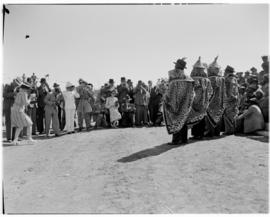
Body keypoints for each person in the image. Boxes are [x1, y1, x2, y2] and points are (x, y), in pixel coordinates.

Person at [163, 58, 195, 145]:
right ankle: (184, 139)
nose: (174, 66)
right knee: (183, 118)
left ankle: (176, 140)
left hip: (175, 101)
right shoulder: (188, 78)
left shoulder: (173, 74)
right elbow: (192, 90)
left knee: (175, 118)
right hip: (185, 102)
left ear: (177, 66)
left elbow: (170, 89)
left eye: (176, 64)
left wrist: (167, 99)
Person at [186, 57, 213, 139]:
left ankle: (196, 134)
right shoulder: (207, 80)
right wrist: (207, 99)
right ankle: (200, 134)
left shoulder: (193, 79)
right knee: (202, 117)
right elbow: (211, 91)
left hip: (195, 102)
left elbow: (190, 91)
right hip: (204, 102)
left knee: (195, 117)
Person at [205, 56, 226, 137]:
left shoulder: (210, 79)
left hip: (211, 101)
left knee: (209, 116)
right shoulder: (222, 79)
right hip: (219, 101)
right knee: (218, 116)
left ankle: (210, 132)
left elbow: (209, 91)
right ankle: (217, 132)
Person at [223, 65, 239, 135]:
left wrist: (229, 96)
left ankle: (229, 130)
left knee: (228, 114)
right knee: (233, 114)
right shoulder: (235, 78)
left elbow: (229, 88)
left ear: (227, 71)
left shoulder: (228, 78)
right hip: (235, 97)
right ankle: (232, 129)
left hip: (229, 98)